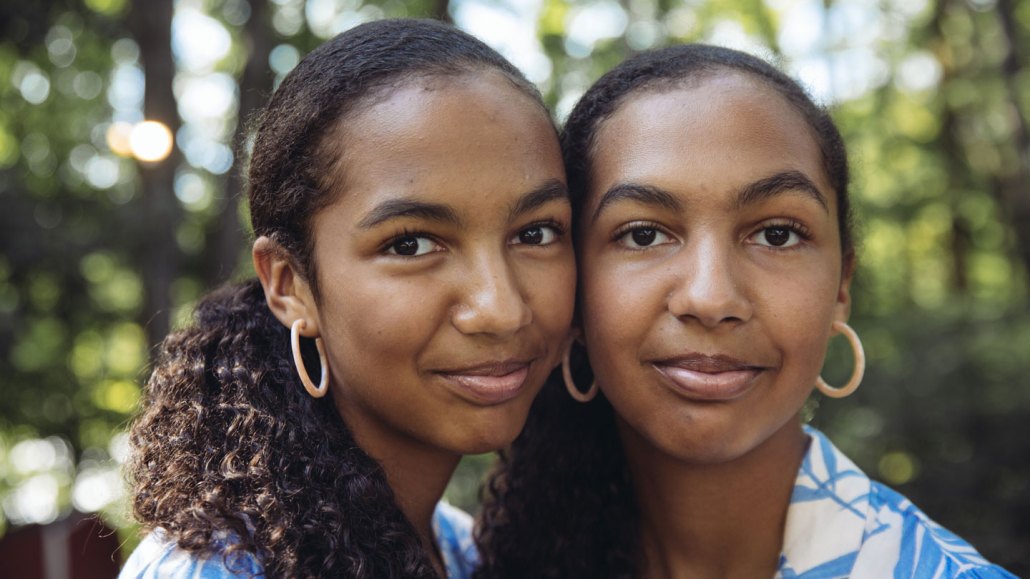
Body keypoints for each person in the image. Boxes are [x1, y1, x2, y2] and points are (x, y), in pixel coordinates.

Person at [474, 44, 1015, 578]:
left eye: (776, 235)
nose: (712, 299)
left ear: (841, 285)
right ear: (574, 291)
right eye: (644, 234)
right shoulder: (471, 560)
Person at [119, 19, 575, 579]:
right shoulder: (222, 569)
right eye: (411, 244)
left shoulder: (461, 550)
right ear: (289, 286)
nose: (502, 308)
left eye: (536, 233)